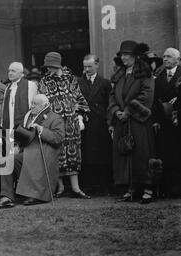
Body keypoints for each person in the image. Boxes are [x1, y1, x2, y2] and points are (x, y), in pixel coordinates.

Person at [0, 94, 65, 208]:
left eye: (35, 104)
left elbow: (58, 138)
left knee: (32, 159)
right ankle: (7, 196)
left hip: (43, 154)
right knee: (7, 160)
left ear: (44, 105)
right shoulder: (29, 117)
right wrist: (17, 145)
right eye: (32, 103)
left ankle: (35, 195)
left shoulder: (55, 118)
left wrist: (41, 130)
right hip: (27, 152)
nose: (32, 106)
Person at [108, 41, 156, 204]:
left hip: (138, 121)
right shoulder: (120, 74)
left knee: (142, 154)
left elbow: (146, 95)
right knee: (125, 155)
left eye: (126, 54)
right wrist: (116, 111)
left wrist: (128, 111)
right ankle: (131, 188)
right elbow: (112, 95)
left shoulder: (144, 73)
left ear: (135, 56)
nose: (123, 57)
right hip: (122, 120)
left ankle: (148, 189)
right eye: (121, 54)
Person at [39, 52, 91, 199]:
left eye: (51, 66)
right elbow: (42, 102)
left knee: (73, 153)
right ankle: (60, 187)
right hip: (54, 123)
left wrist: (80, 117)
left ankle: (76, 187)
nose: (49, 69)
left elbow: (79, 98)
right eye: (47, 66)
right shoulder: (44, 81)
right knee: (57, 152)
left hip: (71, 122)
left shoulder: (70, 79)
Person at [77, 54, 113, 195]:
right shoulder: (78, 82)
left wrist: (109, 123)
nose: (87, 69)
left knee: (102, 155)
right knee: (85, 155)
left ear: (97, 65)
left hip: (100, 124)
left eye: (90, 66)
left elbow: (109, 104)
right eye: (85, 66)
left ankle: (104, 186)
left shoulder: (105, 83)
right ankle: (88, 186)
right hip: (84, 124)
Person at [152, 48, 181, 198]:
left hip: (178, 121)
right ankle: (168, 189)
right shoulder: (159, 75)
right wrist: (156, 120)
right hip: (164, 122)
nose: (165, 59)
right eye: (164, 56)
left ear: (177, 59)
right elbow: (155, 100)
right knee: (166, 154)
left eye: (169, 57)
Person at [1, 62, 38, 134]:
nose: (10, 73)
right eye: (9, 71)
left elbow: (35, 106)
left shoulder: (30, 85)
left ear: (21, 73)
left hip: (25, 125)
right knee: (9, 143)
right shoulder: (8, 88)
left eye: (13, 71)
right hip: (9, 125)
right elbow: (4, 110)